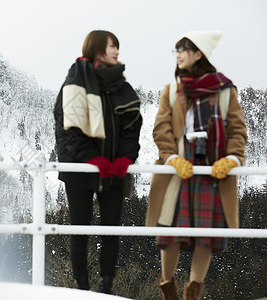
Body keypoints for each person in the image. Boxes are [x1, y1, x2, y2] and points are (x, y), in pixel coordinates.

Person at [146, 31, 247, 300]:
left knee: (207, 232)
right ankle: (168, 288)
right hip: (179, 164)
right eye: (176, 50)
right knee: (170, 229)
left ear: (199, 54)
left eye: (183, 49)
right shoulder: (172, 91)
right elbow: (162, 129)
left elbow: (238, 131)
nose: (177, 55)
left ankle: (193, 291)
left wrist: (231, 158)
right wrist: (171, 158)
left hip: (213, 166)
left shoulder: (225, 91)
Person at [54, 30, 142, 294]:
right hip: (80, 169)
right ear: (96, 48)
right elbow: (68, 128)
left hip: (114, 170)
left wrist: (126, 157)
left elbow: (132, 127)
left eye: (117, 46)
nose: (117, 50)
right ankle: (81, 288)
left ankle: (106, 287)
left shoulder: (122, 86)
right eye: (111, 45)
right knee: (80, 228)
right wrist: (93, 159)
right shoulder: (75, 81)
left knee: (111, 229)